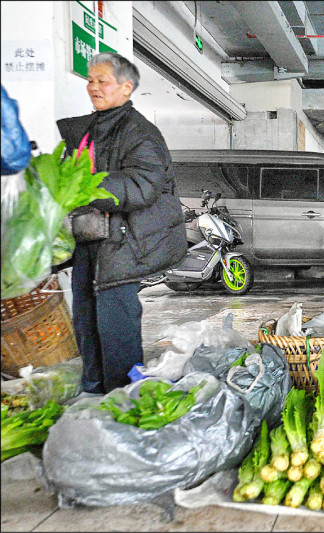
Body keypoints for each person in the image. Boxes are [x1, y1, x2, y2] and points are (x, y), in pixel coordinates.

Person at [56, 52, 187, 394]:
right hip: (89, 241)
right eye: (90, 81)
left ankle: (124, 395)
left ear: (126, 87)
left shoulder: (140, 133)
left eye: (103, 82)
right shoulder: (90, 129)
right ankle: (94, 389)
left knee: (116, 324)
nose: (93, 88)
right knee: (85, 320)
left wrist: (85, 187)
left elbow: (142, 185)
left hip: (122, 245)